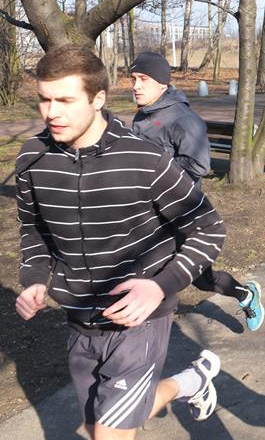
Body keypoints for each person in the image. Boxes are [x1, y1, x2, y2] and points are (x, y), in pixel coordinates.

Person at [15, 44, 227, 438]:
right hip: (79, 320)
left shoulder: (145, 159)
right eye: (44, 99)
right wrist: (34, 278)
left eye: (65, 100)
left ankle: (185, 383)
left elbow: (209, 227)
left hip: (140, 323)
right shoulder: (32, 159)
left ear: (98, 99)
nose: (51, 113)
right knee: (96, 426)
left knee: (109, 434)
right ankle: (191, 382)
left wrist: (160, 286)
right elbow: (33, 229)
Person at [129, 52, 264, 332]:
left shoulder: (183, 119)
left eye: (143, 79)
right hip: (149, 216)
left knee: (201, 279)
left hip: (180, 214)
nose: (136, 86)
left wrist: (153, 174)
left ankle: (246, 294)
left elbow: (198, 165)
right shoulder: (142, 116)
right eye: (133, 79)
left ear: (162, 83)